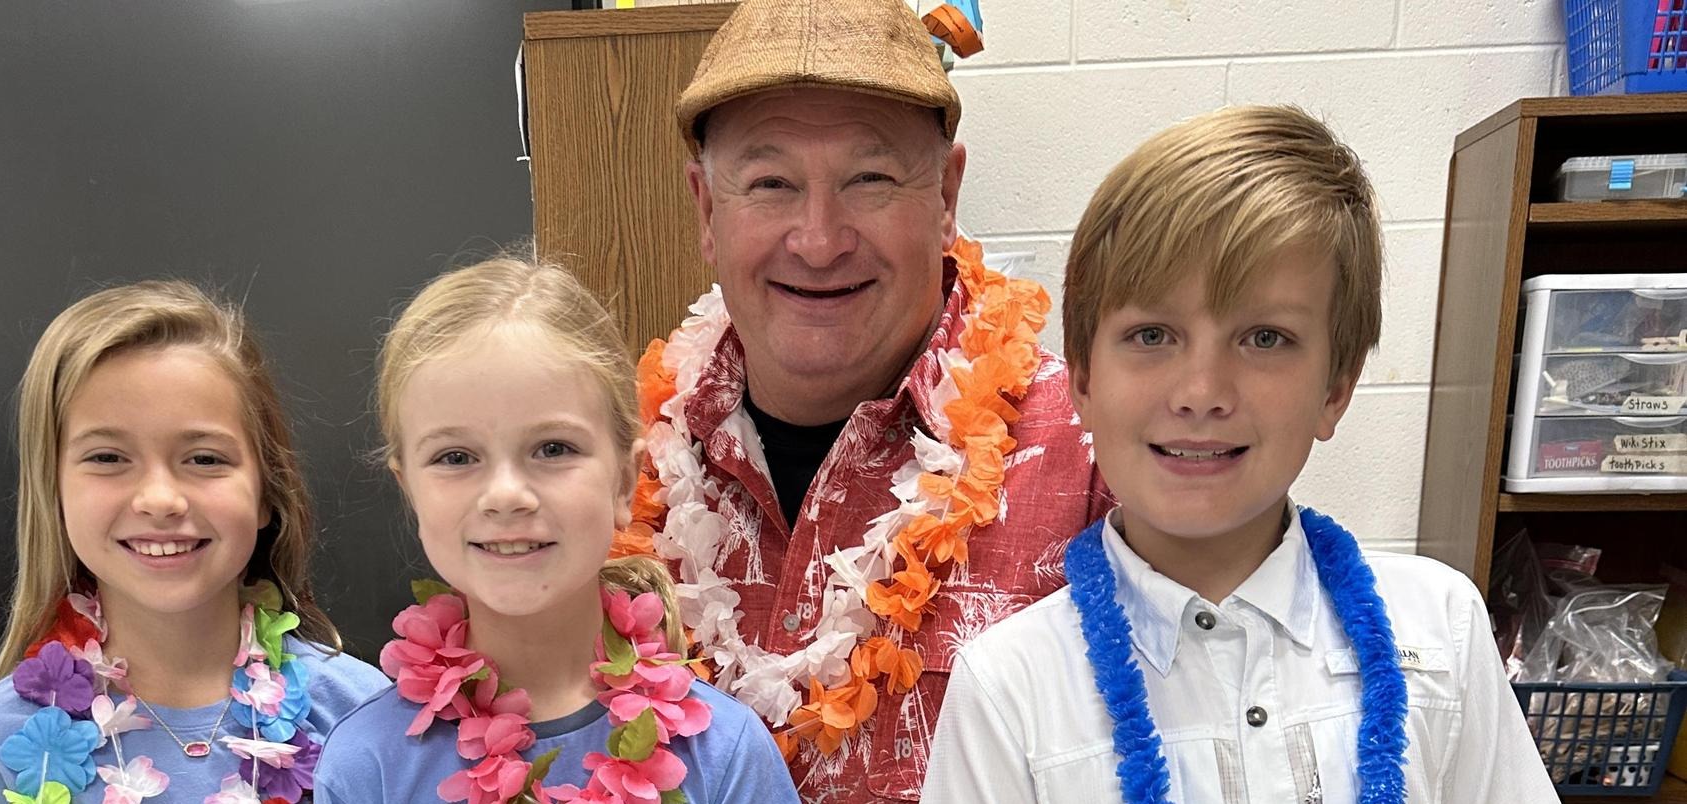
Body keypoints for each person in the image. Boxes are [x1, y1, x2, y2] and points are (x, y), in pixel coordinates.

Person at [921, 105, 1558, 803]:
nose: (1201, 393)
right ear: (1082, 380)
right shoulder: (1009, 689)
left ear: (1335, 388)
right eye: (1153, 335)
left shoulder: (1440, 632)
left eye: (1264, 338)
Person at [625, 0, 1109, 798]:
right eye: (770, 183)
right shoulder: (607, 471)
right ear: (707, 210)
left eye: (871, 178)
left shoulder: (1095, 453)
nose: (818, 239)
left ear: (947, 196)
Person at [313, 256, 798, 803]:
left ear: (622, 482)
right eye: (455, 456)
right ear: (410, 491)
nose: (505, 495)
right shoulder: (367, 767)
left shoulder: (723, 756)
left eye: (553, 448)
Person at [0, 280, 387, 803]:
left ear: (267, 492)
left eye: (205, 459)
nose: (160, 499)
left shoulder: (361, 715)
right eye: (107, 458)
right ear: (53, 493)